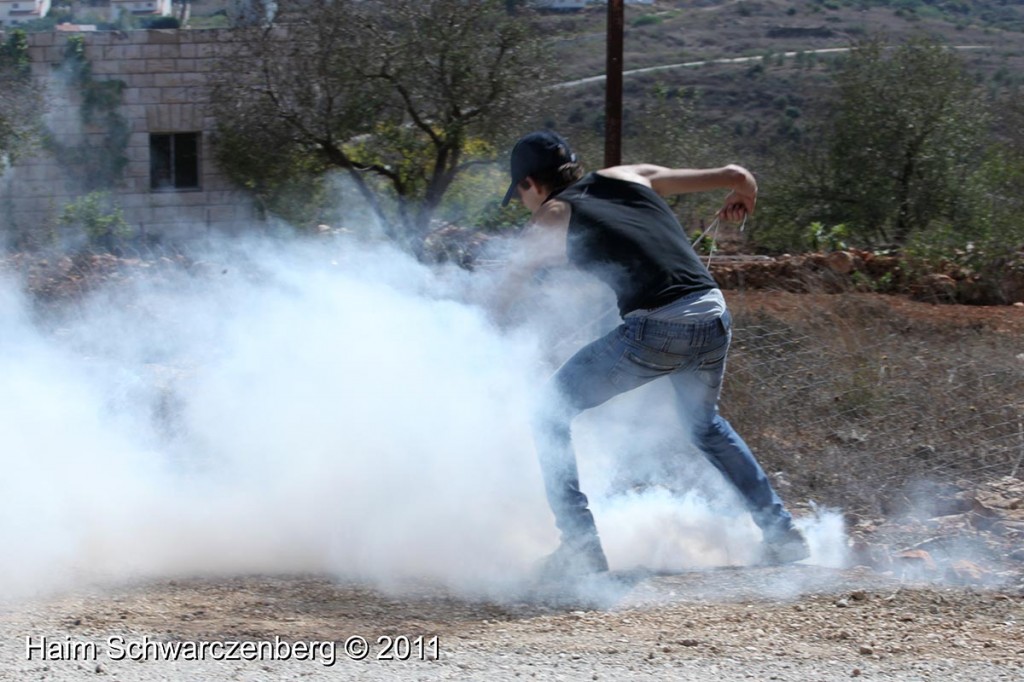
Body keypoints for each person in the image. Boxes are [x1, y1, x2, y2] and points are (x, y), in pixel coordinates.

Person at [498, 130, 810, 578]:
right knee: (705, 426)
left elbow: (510, 284)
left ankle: (580, 547)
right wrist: (742, 196)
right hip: (714, 316)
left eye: (521, 194)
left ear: (529, 183)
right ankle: (782, 535)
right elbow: (738, 175)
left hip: (659, 328)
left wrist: (476, 330)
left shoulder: (552, 212)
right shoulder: (626, 175)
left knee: (549, 412)